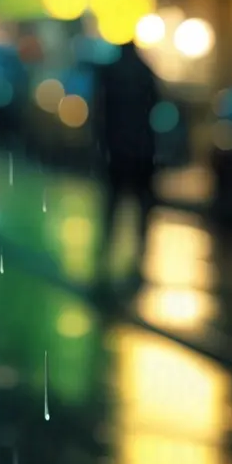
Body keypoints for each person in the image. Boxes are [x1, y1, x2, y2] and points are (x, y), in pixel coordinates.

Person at [93, 41, 160, 284]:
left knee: (114, 203)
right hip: (141, 148)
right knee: (142, 204)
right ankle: (140, 253)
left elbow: (100, 110)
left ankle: (106, 250)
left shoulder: (111, 72)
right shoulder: (145, 72)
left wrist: (101, 144)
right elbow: (156, 104)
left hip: (118, 148)